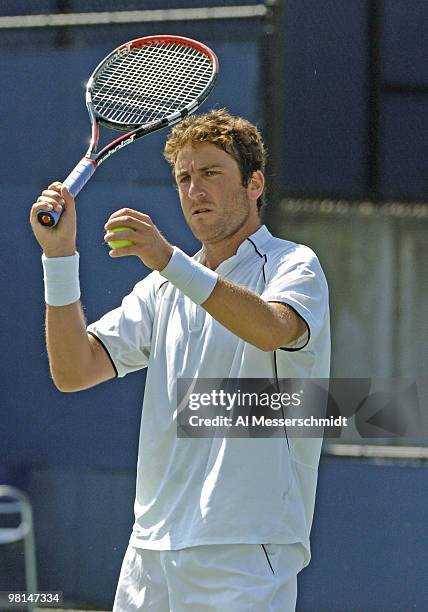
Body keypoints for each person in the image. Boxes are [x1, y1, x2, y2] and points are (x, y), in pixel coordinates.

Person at [30, 109, 330, 612]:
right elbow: (73, 370)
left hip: (244, 549)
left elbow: (272, 329)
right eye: (184, 178)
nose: (195, 191)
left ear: (254, 184)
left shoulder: (294, 265)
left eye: (211, 173)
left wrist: (168, 260)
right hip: (150, 551)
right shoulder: (161, 287)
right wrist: (59, 258)